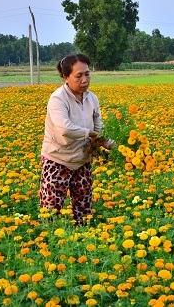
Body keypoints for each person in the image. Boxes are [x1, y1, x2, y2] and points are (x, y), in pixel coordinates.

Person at [39, 53, 113, 226]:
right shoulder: (58, 98)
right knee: (50, 210)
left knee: (84, 210)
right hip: (58, 159)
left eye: (87, 74)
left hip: (82, 160)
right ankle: (49, 241)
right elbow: (64, 128)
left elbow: (99, 128)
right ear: (66, 77)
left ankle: (83, 238)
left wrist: (113, 145)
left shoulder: (92, 98)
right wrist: (90, 134)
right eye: (78, 76)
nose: (85, 80)